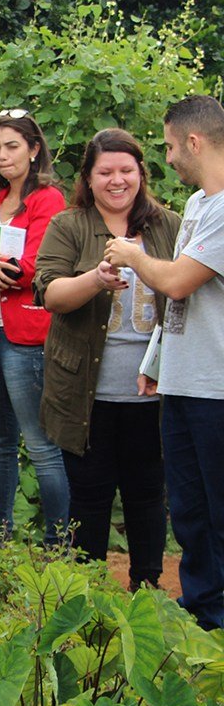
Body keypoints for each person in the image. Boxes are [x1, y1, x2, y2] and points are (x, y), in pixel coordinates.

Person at [35, 128, 179, 590]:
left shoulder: (169, 226)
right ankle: (89, 593)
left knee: (147, 496)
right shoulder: (69, 226)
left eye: (126, 170)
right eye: (105, 172)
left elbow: (187, 291)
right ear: (89, 178)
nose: (117, 181)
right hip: (84, 396)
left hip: (153, 394)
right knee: (90, 496)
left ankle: (147, 589)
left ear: (141, 173)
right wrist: (94, 279)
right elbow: (51, 294)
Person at [105, 96, 224, 628]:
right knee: (191, 507)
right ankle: (201, 605)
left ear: (195, 142)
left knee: (218, 508)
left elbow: (174, 279)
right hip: (184, 379)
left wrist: (133, 255)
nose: (169, 158)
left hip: (217, 386)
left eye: (172, 146)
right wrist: (157, 357)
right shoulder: (200, 204)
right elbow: (182, 298)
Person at [0, 109, 68, 543]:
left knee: (42, 447)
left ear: (34, 149)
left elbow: (36, 267)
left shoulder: (48, 200)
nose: (2, 156)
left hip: (25, 336)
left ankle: (58, 546)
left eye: (12, 146)